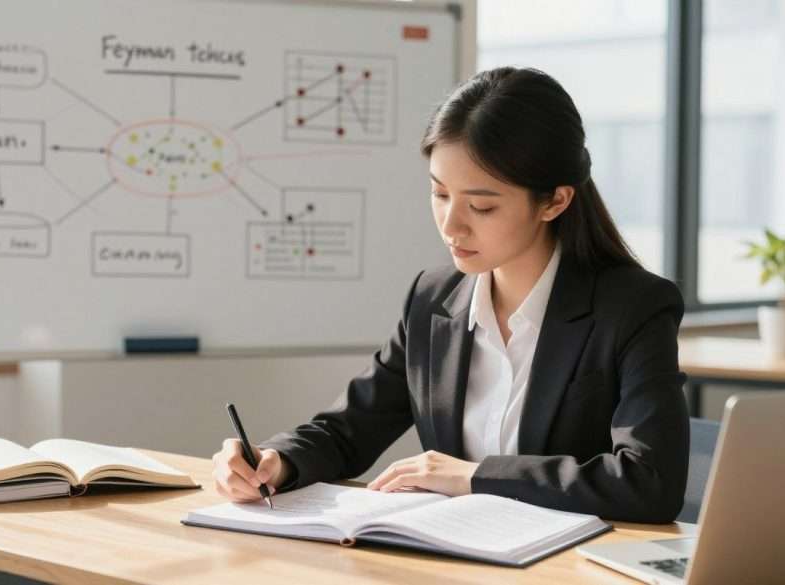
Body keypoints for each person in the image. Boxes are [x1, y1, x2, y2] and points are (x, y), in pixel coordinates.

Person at [211, 67, 689, 523]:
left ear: (555, 201)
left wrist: (476, 477)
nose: (450, 225)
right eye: (440, 194)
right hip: (457, 558)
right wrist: (276, 461)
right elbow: (348, 429)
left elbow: (649, 483)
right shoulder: (433, 299)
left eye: (480, 205)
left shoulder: (632, 308)